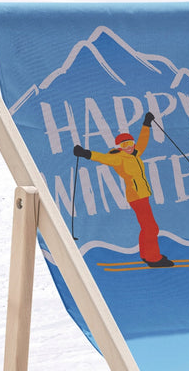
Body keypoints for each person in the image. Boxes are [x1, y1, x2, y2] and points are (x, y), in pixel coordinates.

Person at [72, 112, 174, 267]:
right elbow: (102, 158)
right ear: (118, 147)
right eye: (124, 145)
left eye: (130, 143)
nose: (128, 147)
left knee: (146, 227)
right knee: (151, 227)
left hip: (143, 195)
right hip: (136, 196)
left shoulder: (135, 154)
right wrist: (85, 153)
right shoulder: (118, 158)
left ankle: (147, 254)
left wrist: (146, 124)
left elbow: (143, 141)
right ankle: (154, 258)